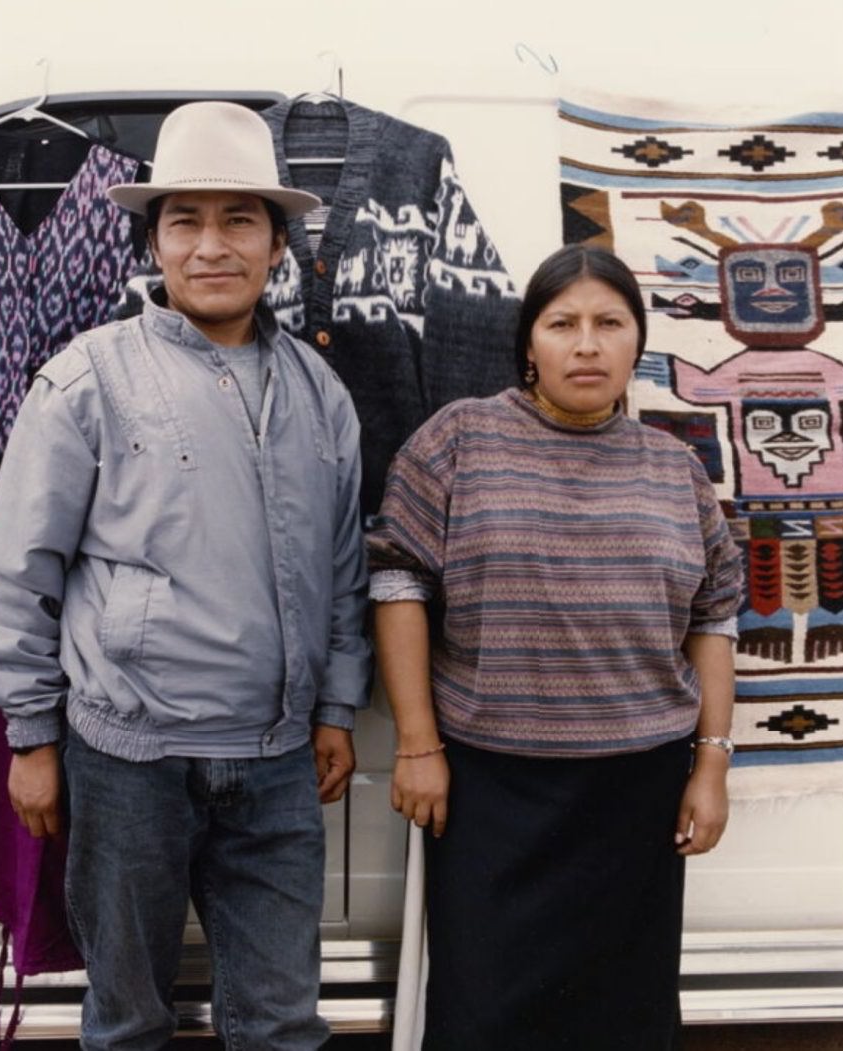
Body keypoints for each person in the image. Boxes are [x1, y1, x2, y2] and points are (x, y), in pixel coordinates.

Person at [0, 101, 371, 1051]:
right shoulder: (86, 379)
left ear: (278, 242)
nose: (210, 246)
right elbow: (18, 571)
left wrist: (335, 709)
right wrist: (30, 736)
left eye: (239, 219)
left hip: (277, 763)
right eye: (183, 220)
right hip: (125, 761)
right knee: (127, 1020)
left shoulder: (320, 391)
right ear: (152, 241)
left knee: (281, 1022)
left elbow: (343, 563)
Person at [367, 244, 743, 1050]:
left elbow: (713, 613)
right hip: (489, 791)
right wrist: (415, 745)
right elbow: (397, 585)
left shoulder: (674, 468)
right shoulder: (457, 441)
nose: (586, 344)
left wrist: (709, 764)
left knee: (621, 1014)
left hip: (636, 794)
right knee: (487, 1011)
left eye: (609, 323)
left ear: (636, 342)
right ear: (527, 344)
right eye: (561, 323)